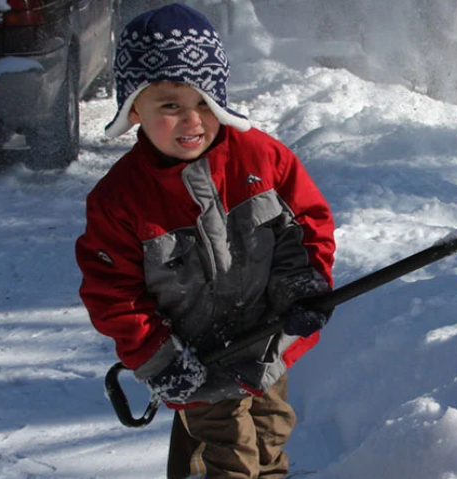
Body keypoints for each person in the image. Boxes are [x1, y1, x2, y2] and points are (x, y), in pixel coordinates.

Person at [75, 4, 336, 478]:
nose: (192, 120)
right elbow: (112, 291)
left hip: (265, 345)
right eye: (171, 106)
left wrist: (303, 283)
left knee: (271, 438)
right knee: (229, 455)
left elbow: (305, 226)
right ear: (135, 108)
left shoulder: (261, 157)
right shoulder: (120, 199)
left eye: (204, 102)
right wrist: (158, 357)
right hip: (197, 358)